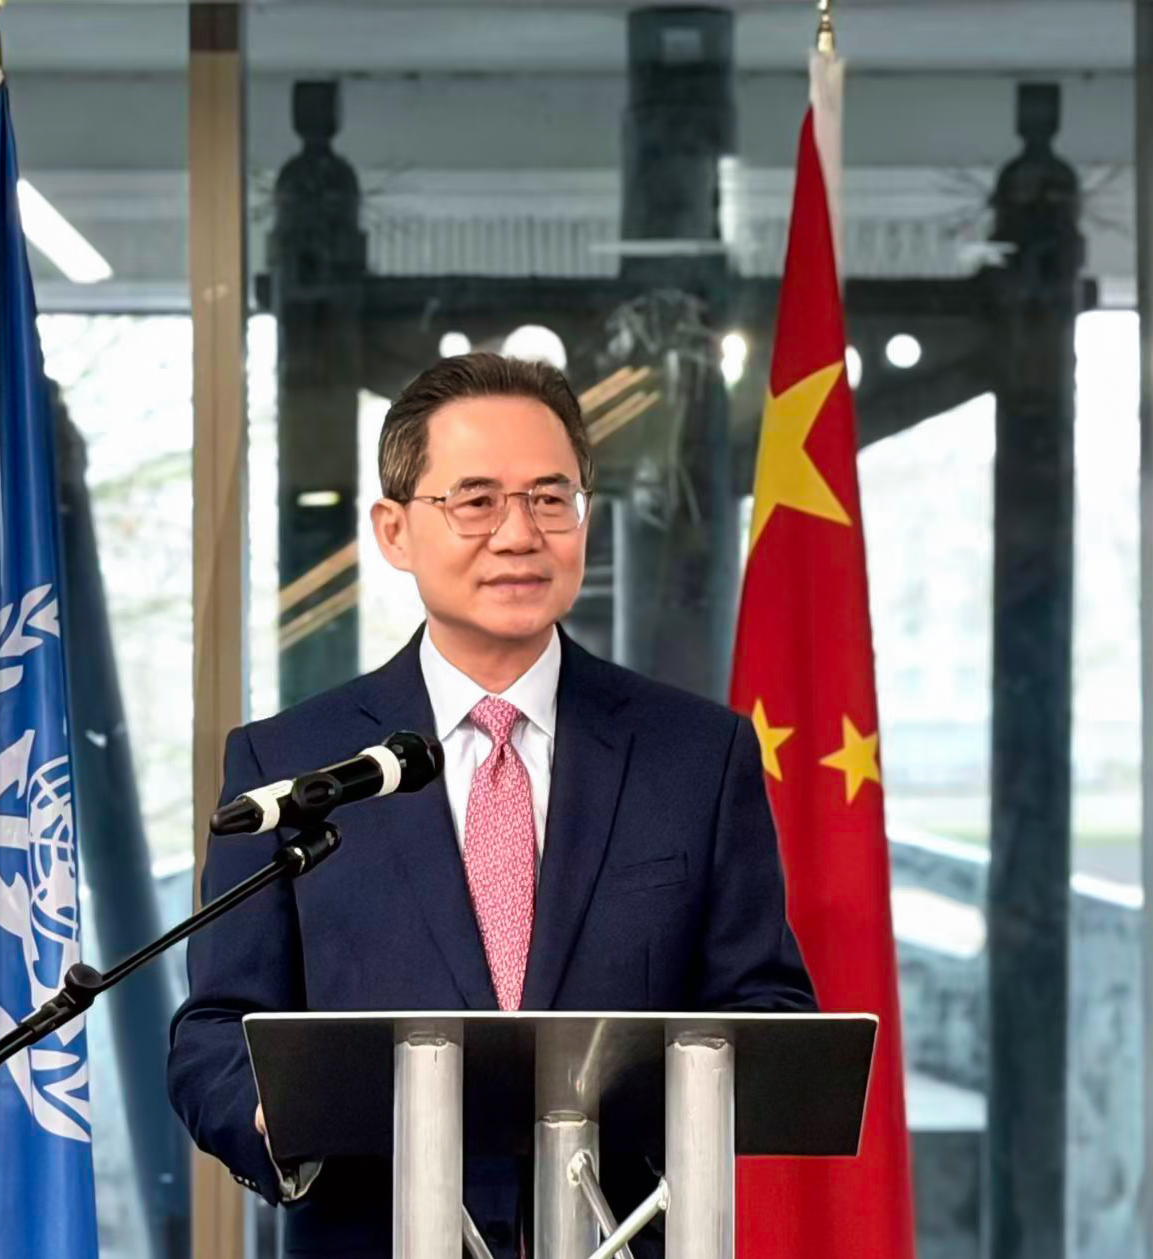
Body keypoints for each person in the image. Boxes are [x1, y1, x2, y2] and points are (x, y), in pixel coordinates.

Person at [168, 351, 816, 1257]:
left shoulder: (696, 755)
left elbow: (767, 1006)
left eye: (552, 498)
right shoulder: (290, 762)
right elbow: (213, 1030)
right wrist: (274, 1109)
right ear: (394, 530)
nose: (520, 534)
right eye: (476, 500)